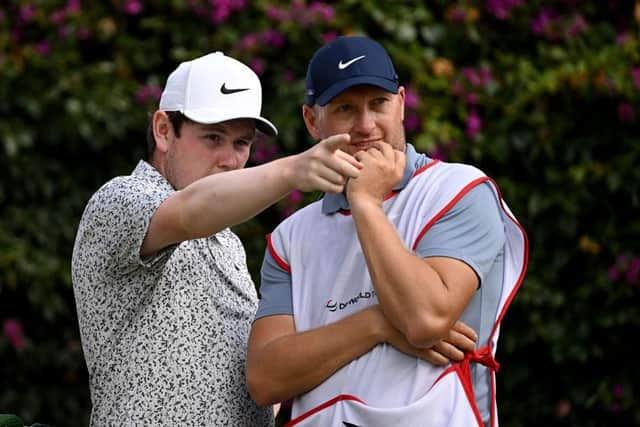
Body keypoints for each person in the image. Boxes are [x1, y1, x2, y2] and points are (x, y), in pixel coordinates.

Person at [71, 51, 365, 426]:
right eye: (213, 137)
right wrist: (295, 168)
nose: (230, 159)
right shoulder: (120, 200)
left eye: (241, 143)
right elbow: (190, 212)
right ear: (163, 130)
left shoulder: (228, 243)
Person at [246, 36, 529, 427]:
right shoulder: (289, 238)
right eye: (345, 109)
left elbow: (425, 318)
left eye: (378, 104)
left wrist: (364, 202)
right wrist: (375, 324)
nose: (365, 125)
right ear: (312, 121)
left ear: (400, 103)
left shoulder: (460, 190)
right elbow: (265, 379)